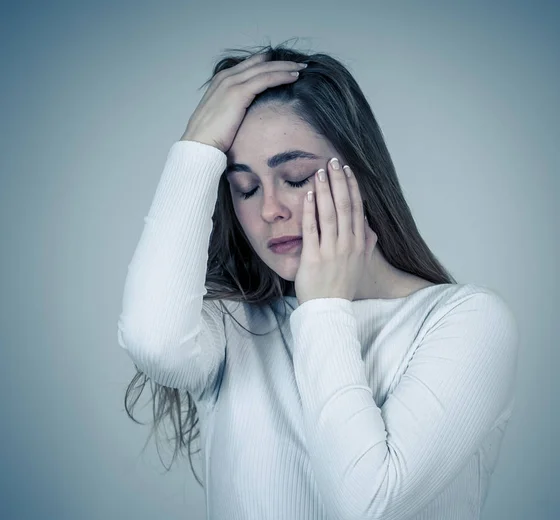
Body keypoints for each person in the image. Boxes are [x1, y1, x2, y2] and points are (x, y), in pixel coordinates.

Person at [117, 41, 519, 520]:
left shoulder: (467, 322)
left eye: (296, 177)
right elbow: (154, 342)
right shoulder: (233, 326)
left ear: (362, 175)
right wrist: (196, 148)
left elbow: (367, 502)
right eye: (245, 188)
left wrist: (325, 305)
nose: (269, 209)